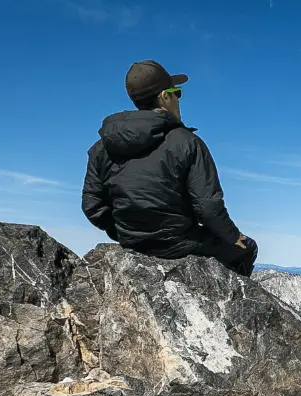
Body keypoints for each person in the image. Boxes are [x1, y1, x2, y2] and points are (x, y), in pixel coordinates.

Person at [81, 60, 258, 277]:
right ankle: (227, 295)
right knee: (248, 248)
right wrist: (233, 236)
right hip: (179, 243)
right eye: (177, 93)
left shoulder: (102, 147)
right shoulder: (187, 142)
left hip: (131, 241)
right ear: (165, 96)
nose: (178, 99)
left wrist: (125, 233)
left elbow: (92, 206)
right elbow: (208, 208)